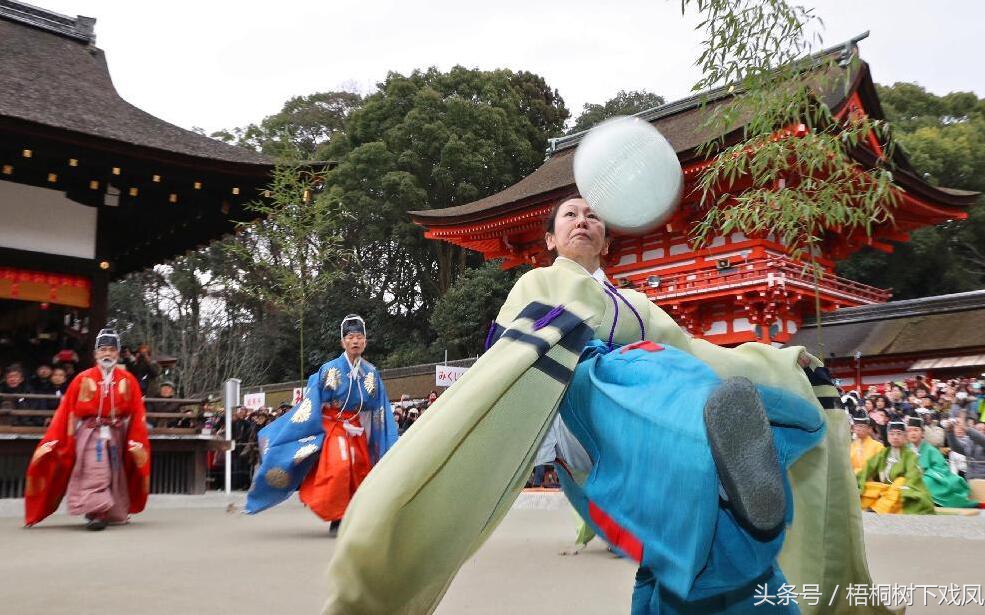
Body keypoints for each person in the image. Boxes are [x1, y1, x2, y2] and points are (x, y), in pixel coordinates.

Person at [325, 197, 890, 615]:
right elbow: (511, 359)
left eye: (593, 216)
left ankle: (726, 458)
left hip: (666, 399)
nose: (582, 220)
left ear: (605, 239)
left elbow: (696, 352)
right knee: (644, 380)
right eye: (569, 214)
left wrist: (779, 360)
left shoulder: (639, 301)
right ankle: (717, 453)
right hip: (584, 407)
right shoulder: (537, 283)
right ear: (548, 240)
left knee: (676, 538)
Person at [247, 314, 399, 536]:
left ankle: (352, 516)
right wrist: (312, 429)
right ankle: (337, 516)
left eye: (359, 337)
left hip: (355, 427)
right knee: (340, 466)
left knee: (360, 468)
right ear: (342, 342)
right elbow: (312, 400)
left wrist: (378, 438)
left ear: (365, 342)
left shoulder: (371, 373)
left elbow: (379, 408)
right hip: (333, 424)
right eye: (350, 337)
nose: (355, 341)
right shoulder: (329, 369)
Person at [24, 329, 151, 530]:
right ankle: (97, 513)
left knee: (114, 472)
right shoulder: (82, 378)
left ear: (117, 354)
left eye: (111, 350)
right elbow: (67, 410)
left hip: (116, 431)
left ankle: (108, 511)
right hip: (90, 431)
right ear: (95, 354)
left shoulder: (128, 380)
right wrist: (62, 437)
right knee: (95, 468)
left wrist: (134, 439)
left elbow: (136, 411)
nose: (107, 354)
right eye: (102, 350)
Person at [857, 421, 935, 515]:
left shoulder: (910, 455)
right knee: (867, 486)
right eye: (892, 434)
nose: (895, 437)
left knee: (901, 481)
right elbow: (867, 469)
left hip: (902, 493)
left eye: (899, 434)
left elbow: (913, 476)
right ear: (888, 437)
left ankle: (879, 508)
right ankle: (870, 506)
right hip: (886, 490)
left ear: (905, 437)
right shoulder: (883, 453)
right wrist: (854, 482)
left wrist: (903, 489)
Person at [905, 416, 976, 508]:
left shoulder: (931, 450)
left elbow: (941, 469)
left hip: (930, 478)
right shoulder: (905, 450)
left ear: (922, 433)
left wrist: (924, 473)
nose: (913, 433)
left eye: (916, 430)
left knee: (925, 482)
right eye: (910, 431)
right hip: (910, 478)